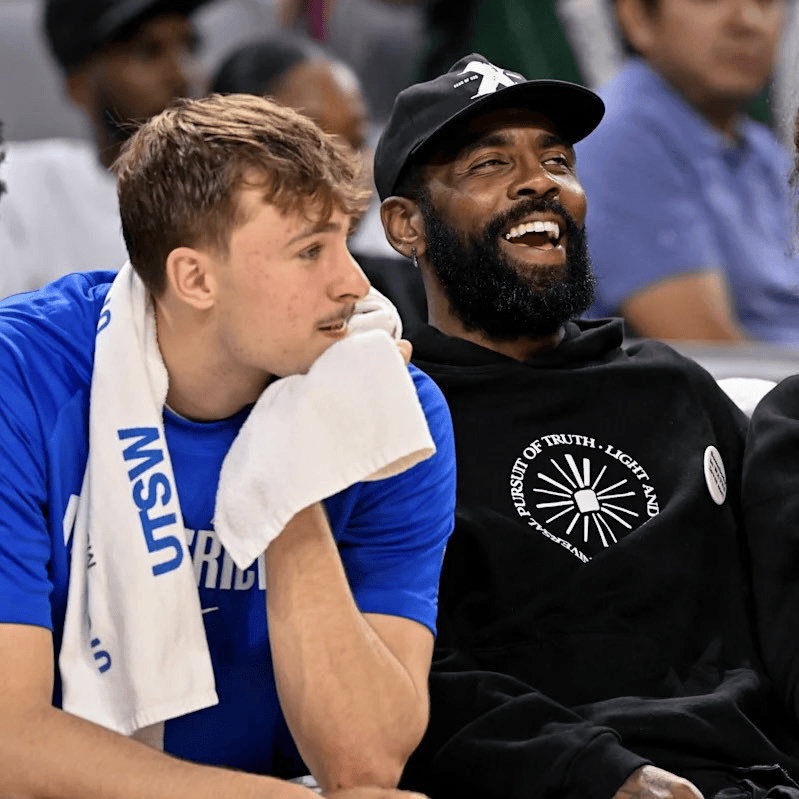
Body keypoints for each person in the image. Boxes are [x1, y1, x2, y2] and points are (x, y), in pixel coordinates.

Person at [0, 91, 457, 799]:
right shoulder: (22, 376)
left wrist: (291, 475)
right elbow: (10, 741)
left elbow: (364, 765)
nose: (355, 283)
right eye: (310, 250)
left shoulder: (393, 411)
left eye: (344, 239)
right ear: (194, 278)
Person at [371, 53, 799, 799]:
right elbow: (395, 670)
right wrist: (598, 772)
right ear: (407, 226)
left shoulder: (678, 388)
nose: (539, 182)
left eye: (557, 161)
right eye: (490, 164)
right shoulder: (390, 420)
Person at [574, 0, 799, 344]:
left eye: (766, 1)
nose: (748, 20)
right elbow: (712, 356)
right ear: (637, 18)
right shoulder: (621, 139)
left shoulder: (762, 149)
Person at [210, 31, 427, 327]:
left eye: (357, 140)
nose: (345, 167)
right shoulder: (188, 307)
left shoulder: (412, 297)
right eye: (310, 141)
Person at [0, 0, 211, 298]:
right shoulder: (23, 190)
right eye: (148, 51)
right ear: (79, 85)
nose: (182, 76)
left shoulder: (243, 190)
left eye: (189, 47)